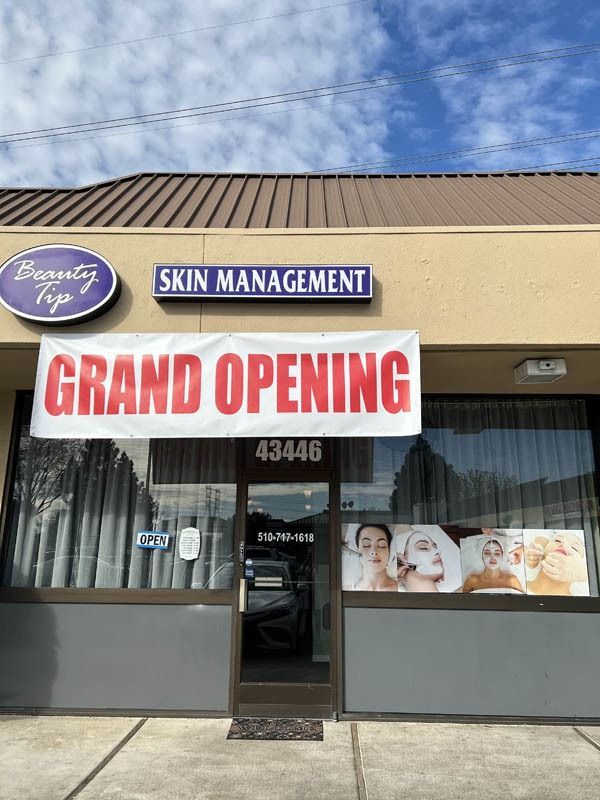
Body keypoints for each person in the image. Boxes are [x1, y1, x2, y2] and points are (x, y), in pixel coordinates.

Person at [526, 531, 588, 596]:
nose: (564, 545)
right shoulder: (517, 586)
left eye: (574, 548)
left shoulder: (579, 604)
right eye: (558, 540)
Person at [352, 524, 397, 591]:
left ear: (389, 551)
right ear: (357, 550)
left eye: (382, 545)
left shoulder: (403, 589)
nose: (374, 551)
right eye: (366, 545)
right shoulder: (348, 591)